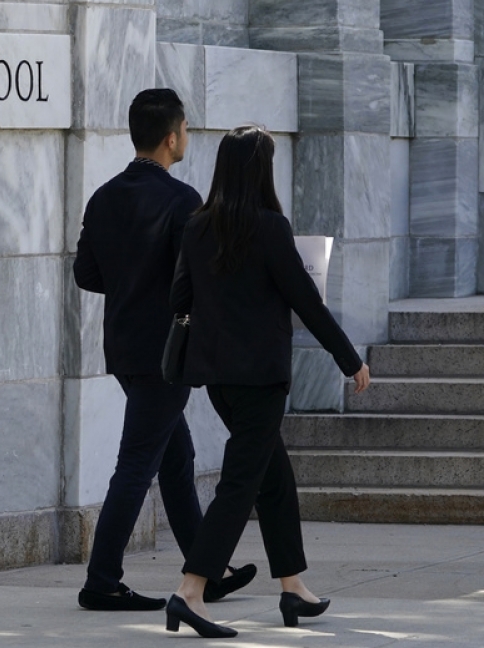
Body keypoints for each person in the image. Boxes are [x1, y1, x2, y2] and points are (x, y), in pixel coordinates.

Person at [164, 125, 372, 638]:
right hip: (261, 378)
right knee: (241, 483)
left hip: (217, 378)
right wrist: (350, 360)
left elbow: (179, 301)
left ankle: (292, 586)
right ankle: (190, 591)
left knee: (273, 479)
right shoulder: (271, 228)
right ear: (261, 169)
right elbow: (308, 303)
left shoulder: (197, 226)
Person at [73, 88, 255, 611]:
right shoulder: (182, 199)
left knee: (176, 459)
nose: (187, 138)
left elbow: (86, 273)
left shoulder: (104, 196)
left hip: (126, 348)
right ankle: (101, 580)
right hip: (168, 355)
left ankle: (208, 569)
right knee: (137, 465)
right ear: (172, 136)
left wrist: (132, 284)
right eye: (186, 130)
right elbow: (199, 279)